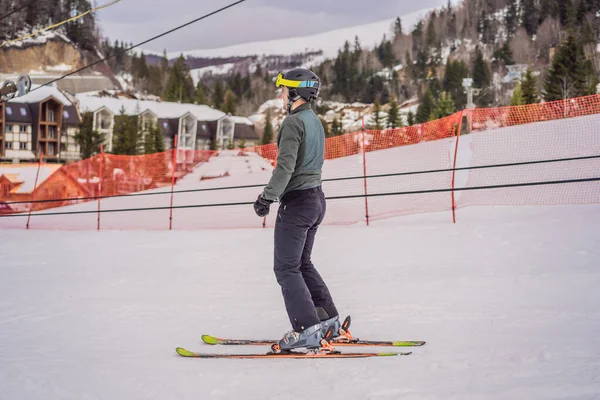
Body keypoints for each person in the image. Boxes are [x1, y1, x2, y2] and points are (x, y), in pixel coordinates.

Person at [253, 68, 341, 352]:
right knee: (302, 264)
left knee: (286, 268)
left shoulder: (293, 122)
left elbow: (286, 166)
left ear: (294, 92)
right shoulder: (314, 120)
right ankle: (328, 319)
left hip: (298, 202)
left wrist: (267, 197)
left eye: (283, 91)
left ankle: (307, 329)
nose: (281, 97)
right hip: (316, 200)